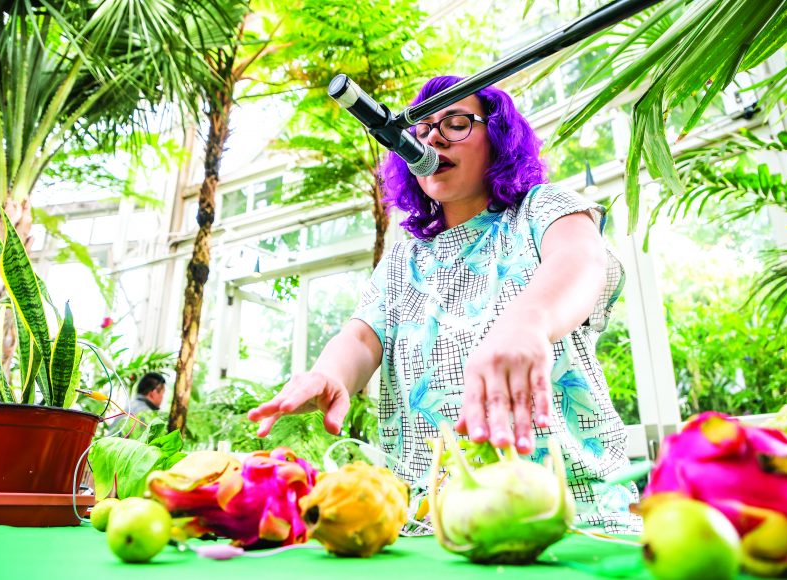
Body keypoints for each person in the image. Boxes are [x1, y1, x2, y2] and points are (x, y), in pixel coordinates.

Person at [248, 76, 640, 533]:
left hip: (573, 508)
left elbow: (579, 259)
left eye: (455, 122)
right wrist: (329, 373)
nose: (433, 136)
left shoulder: (539, 209)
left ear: (497, 138)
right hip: (432, 524)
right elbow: (359, 336)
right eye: (422, 127)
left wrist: (529, 320)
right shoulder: (401, 259)